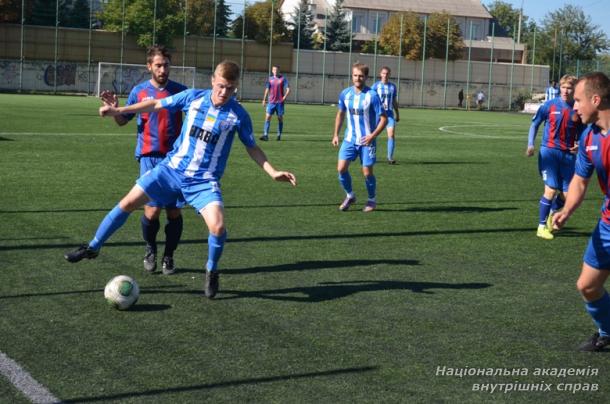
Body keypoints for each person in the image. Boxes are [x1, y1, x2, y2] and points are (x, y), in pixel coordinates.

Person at [64, 61, 297, 299]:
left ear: (236, 87)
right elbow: (155, 104)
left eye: (230, 88)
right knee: (127, 203)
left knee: (218, 226)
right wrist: (119, 111)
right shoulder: (193, 97)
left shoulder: (238, 115)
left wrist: (272, 171)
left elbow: (252, 146)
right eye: (220, 86)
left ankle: (212, 270)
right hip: (171, 170)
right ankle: (92, 247)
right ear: (212, 81)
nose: (224, 92)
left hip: (203, 181)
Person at [100, 45, 187, 275]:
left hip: (176, 161)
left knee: (174, 213)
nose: (162, 69)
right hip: (149, 158)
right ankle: (150, 248)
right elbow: (122, 121)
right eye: (158, 65)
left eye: (166, 65)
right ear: (149, 66)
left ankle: (169, 256)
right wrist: (116, 110)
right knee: (151, 212)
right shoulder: (139, 92)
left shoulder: (180, 91)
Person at [552, 72, 610, 351]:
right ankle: (607, 331)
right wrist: (566, 210)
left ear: (596, 100)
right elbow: (580, 180)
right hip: (608, 224)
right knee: (587, 286)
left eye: (578, 100)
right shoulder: (589, 136)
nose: (573, 106)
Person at [526, 74, 583, 240]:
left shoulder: (577, 109)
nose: (565, 91)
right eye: (563, 87)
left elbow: (583, 131)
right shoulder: (549, 105)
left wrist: (579, 143)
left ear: (574, 90)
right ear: (560, 88)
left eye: (569, 88)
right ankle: (541, 226)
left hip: (568, 156)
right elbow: (535, 123)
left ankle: (551, 213)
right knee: (550, 190)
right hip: (549, 153)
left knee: (567, 195)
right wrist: (531, 144)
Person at [332, 62, 387, 213]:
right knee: (341, 169)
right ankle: (350, 195)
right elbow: (341, 113)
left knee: (367, 172)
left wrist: (372, 136)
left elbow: (384, 119)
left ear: (366, 77)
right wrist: (336, 134)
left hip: (367, 141)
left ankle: (371, 200)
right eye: (355, 75)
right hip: (350, 139)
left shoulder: (372, 96)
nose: (357, 78)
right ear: (352, 76)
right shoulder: (345, 94)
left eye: (361, 76)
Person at [371, 66, 400, 164]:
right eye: (383, 73)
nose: (385, 75)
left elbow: (394, 101)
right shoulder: (375, 86)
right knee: (373, 135)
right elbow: (370, 100)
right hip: (377, 115)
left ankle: (390, 158)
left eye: (387, 73)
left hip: (389, 114)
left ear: (390, 75)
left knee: (391, 135)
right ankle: (372, 156)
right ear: (380, 74)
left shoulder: (393, 87)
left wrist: (397, 114)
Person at [261, 65, 290, 141]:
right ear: (272, 71)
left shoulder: (283, 79)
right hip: (271, 102)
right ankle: (265, 135)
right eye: (274, 70)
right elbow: (267, 89)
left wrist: (284, 97)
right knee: (267, 117)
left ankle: (279, 135)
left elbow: (288, 89)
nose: (275, 71)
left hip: (279, 103)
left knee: (280, 118)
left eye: (276, 70)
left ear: (279, 71)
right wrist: (264, 99)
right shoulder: (270, 79)